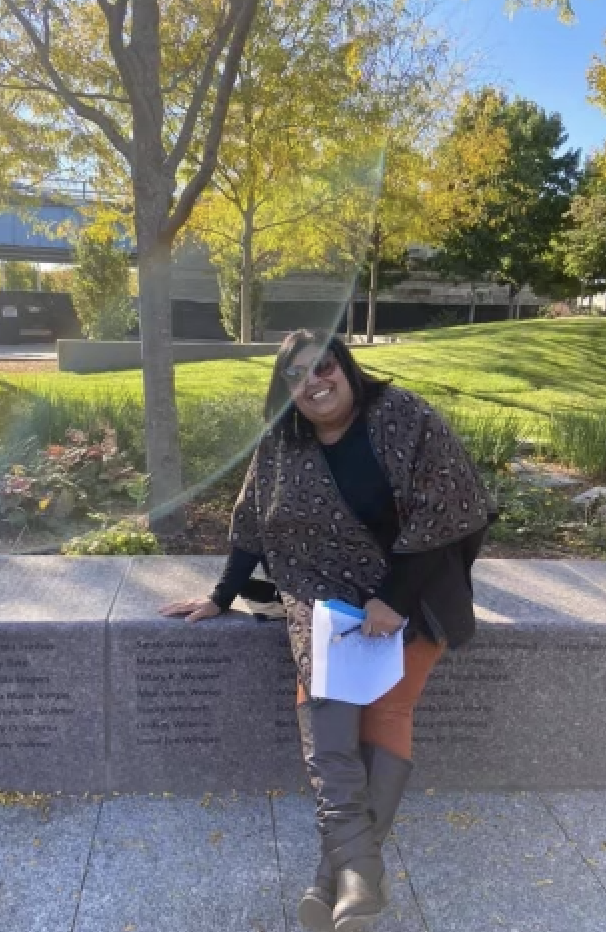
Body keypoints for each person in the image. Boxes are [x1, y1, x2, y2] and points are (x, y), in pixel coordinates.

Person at [161, 328, 494, 932]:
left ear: (345, 366)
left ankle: (333, 877)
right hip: (325, 604)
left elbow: (450, 508)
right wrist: (220, 596)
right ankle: (358, 878)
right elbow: (251, 527)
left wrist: (391, 599)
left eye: (323, 368)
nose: (313, 384)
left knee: (386, 712)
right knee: (326, 715)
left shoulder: (405, 416)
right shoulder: (282, 445)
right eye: (296, 376)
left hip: (416, 595)